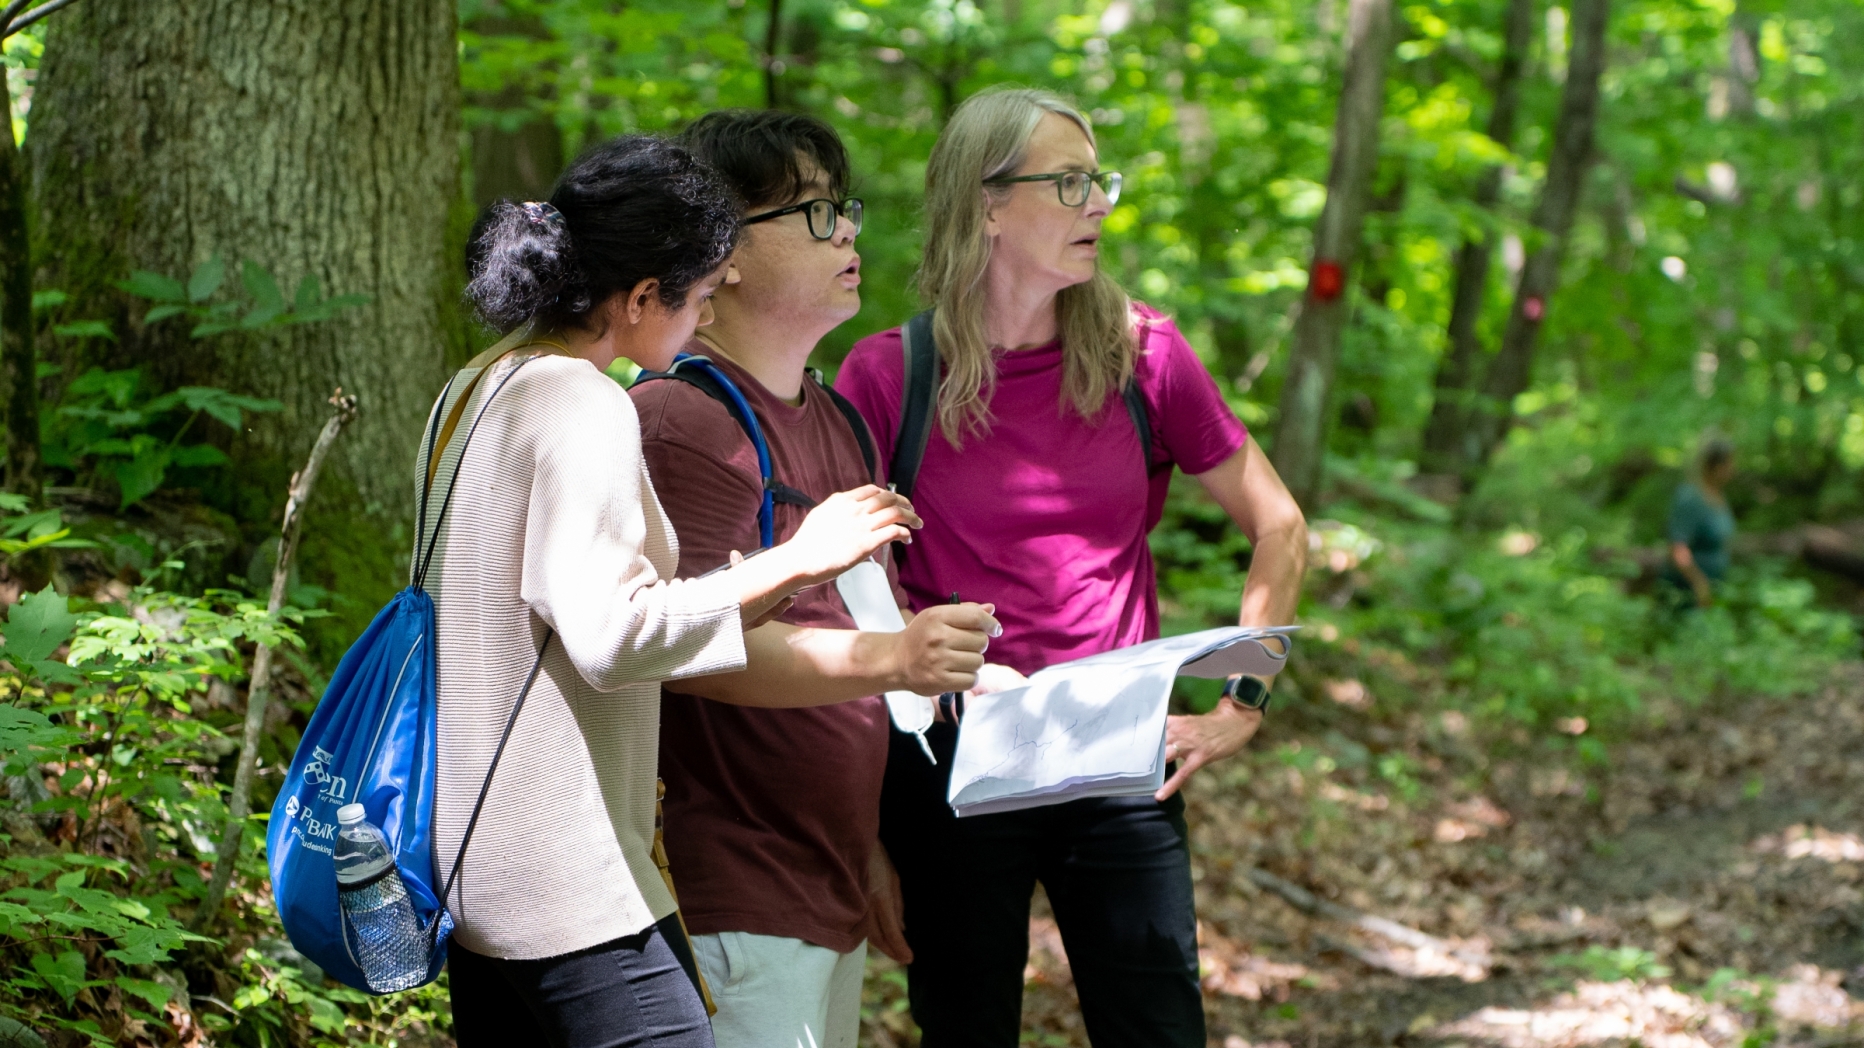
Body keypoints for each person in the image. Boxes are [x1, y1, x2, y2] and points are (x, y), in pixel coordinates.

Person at [836, 88, 1309, 1048]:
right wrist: (870, 829)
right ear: (987, 204)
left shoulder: (1147, 355)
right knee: (966, 1029)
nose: (1099, 204)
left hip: (1117, 759)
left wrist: (1240, 709)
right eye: (1070, 183)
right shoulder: (890, 375)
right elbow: (845, 594)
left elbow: (1281, 525)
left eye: (1100, 181)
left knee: (1156, 1025)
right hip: (954, 763)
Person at [428, 135, 921, 1048]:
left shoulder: (475, 387)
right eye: (695, 299)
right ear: (643, 296)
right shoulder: (587, 403)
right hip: (565, 875)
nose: (697, 326)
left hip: (476, 857)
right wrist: (797, 560)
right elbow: (611, 637)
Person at [629, 108, 1003, 1048]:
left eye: (846, 209)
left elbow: (850, 623)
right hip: (728, 891)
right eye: (811, 212)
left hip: (823, 882)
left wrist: (867, 844)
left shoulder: (838, 421)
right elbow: (693, 653)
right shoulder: (682, 419)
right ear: (726, 253)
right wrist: (900, 658)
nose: (846, 231)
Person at [1664, 434, 1737, 609]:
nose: (1733, 468)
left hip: (1716, 590)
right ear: (1715, 466)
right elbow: (1678, 549)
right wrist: (1699, 583)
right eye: (1729, 463)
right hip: (1685, 596)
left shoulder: (1718, 496)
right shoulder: (1690, 498)